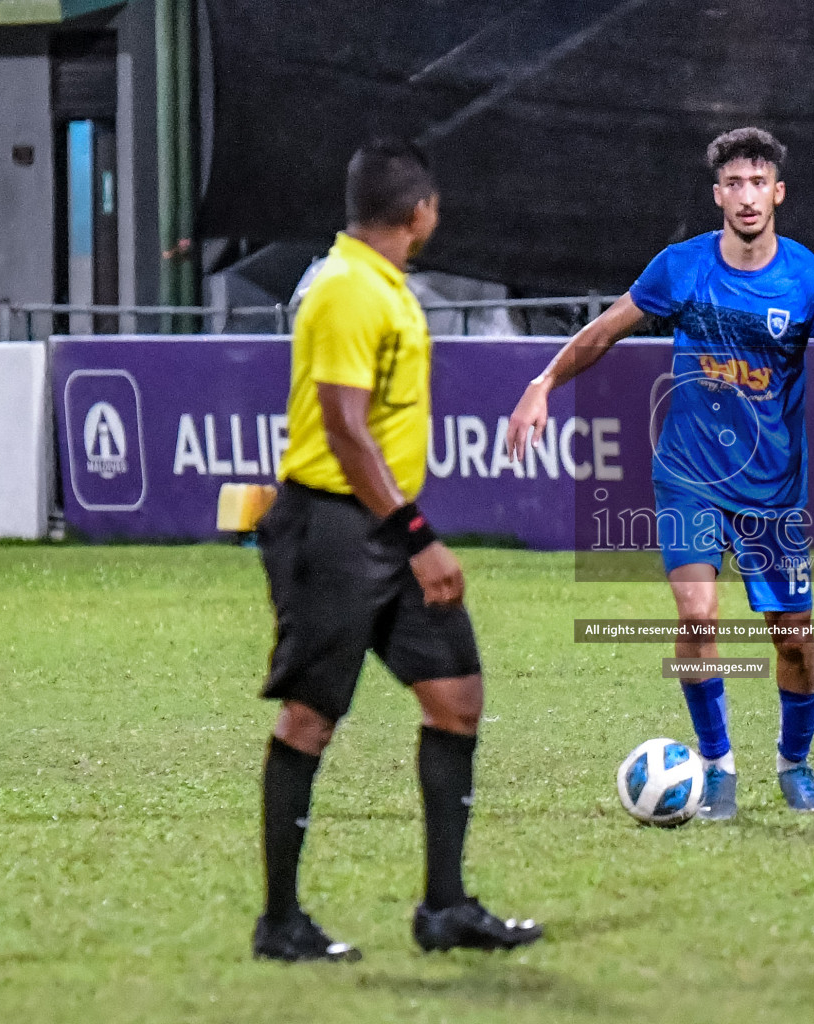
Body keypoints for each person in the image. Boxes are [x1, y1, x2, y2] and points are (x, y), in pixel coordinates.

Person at [506, 127, 814, 820]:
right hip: (688, 475)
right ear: (718, 194)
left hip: (773, 488)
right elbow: (605, 332)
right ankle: (716, 765)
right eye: (734, 184)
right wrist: (543, 382)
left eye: (759, 182)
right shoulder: (681, 267)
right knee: (697, 614)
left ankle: (795, 764)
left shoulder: (810, 280)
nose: (747, 196)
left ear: (778, 193)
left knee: (793, 639)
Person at [252, 138, 542, 962]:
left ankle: (445, 910)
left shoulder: (380, 284)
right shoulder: (347, 290)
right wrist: (416, 538)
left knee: (457, 696)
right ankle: (280, 923)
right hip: (335, 529)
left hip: (380, 525)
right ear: (420, 212)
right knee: (310, 718)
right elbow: (344, 430)